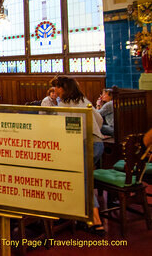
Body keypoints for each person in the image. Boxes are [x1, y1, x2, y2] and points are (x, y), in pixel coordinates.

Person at [49, 75, 105, 235]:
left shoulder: (64, 104)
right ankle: (74, 212)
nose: (55, 90)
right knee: (79, 178)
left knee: (82, 181)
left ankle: (96, 222)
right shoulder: (83, 99)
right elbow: (99, 119)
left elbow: (61, 128)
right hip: (97, 144)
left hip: (84, 145)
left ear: (64, 88)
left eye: (57, 87)